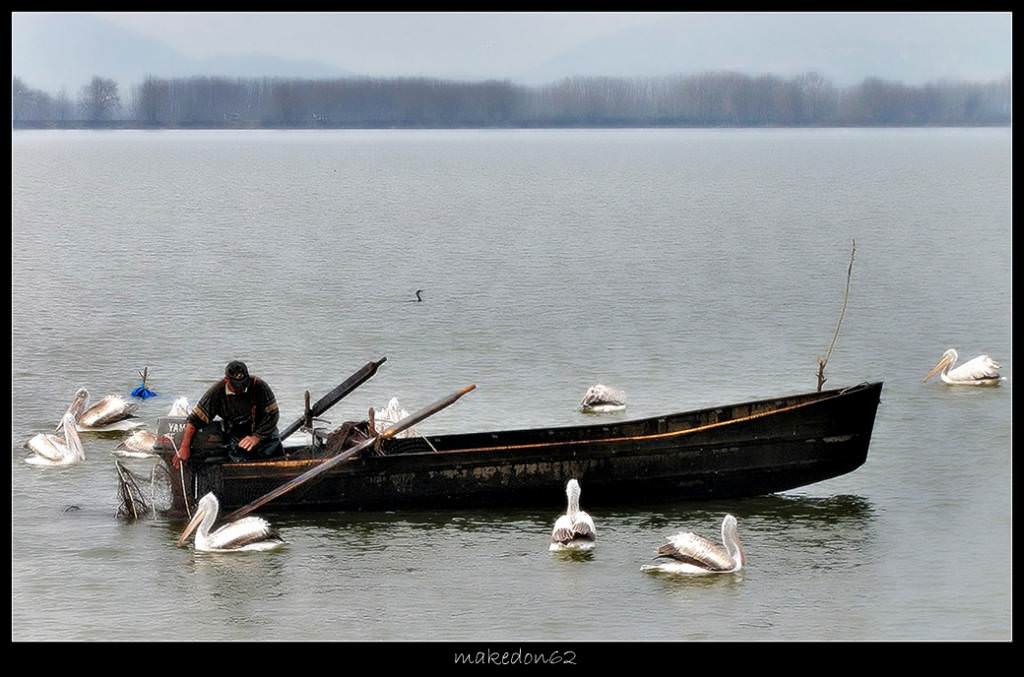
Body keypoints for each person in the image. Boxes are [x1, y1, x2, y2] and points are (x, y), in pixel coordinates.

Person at [172, 360, 283, 468]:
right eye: (237, 386)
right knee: (238, 457)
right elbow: (194, 420)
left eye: (244, 385)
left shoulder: (259, 385)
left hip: (263, 431)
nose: (241, 389)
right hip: (238, 433)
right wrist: (184, 447)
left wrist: (256, 437)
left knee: (275, 451)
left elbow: (273, 415)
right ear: (226, 380)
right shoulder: (216, 392)